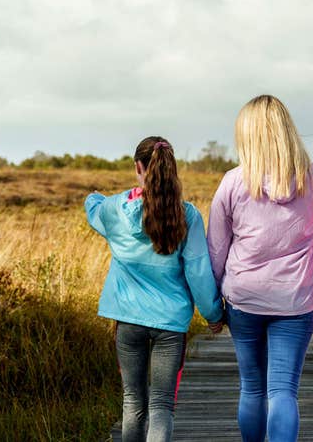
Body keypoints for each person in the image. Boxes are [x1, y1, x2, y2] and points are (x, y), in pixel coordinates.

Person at [85, 136, 224, 442]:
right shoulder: (187, 216)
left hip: (128, 323)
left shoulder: (115, 210)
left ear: (138, 167)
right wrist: (213, 313)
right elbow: (199, 272)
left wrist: (94, 196)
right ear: (172, 169)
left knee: (132, 402)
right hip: (170, 326)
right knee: (162, 406)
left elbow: (93, 210)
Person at [207, 94, 313, 442]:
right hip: (296, 299)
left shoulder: (232, 182)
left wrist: (214, 304)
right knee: (283, 391)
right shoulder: (311, 177)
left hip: (245, 299)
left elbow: (216, 246)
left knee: (252, 389)